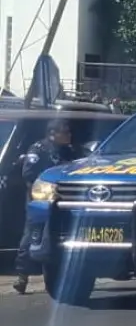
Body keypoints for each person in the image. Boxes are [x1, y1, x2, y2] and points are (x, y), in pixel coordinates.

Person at [14, 119, 84, 294]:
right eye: (65, 132)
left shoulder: (70, 151)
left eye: (69, 132)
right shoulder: (39, 149)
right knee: (32, 236)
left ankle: (53, 279)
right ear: (53, 133)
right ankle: (22, 276)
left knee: (56, 239)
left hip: (64, 202)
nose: (69, 135)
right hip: (40, 201)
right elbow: (29, 175)